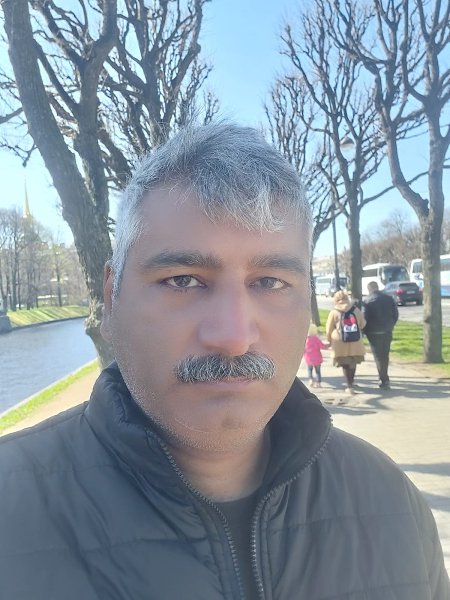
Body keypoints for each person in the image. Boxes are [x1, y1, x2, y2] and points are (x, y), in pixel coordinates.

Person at [0, 123, 448, 600]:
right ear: (111, 299)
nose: (234, 337)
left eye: (270, 282)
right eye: (183, 280)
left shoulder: (393, 500)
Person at [326, 289, 366, 394]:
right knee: (353, 362)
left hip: (340, 341)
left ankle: (349, 385)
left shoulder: (334, 312)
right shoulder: (355, 310)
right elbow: (362, 324)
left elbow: (329, 329)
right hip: (355, 340)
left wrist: (329, 340)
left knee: (344, 363)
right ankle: (351, 383)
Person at [363, 280, 399, 389]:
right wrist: (391, 325)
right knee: (385, 355)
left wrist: (364, 330)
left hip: (373, 332)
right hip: (387, 330)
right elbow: (395, 314)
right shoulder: (389, 298)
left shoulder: (367, 301)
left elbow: (365, 318)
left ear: (369, 289)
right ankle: (384, 377)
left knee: (378, 356)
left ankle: (384, 379)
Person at [303, 322, 329, 387]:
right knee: (318, 371)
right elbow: (322, 346)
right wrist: (328, 345)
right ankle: (318, 383)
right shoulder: (316, 339)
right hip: (317, 358)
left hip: (308, 358)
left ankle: (311, 380)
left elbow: (303, 349)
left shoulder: (306, 339)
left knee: (310, 370)